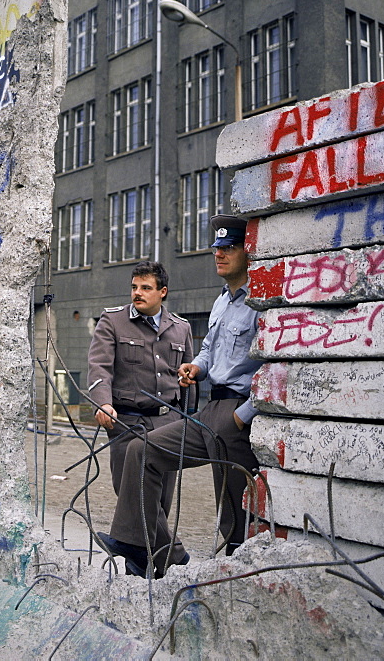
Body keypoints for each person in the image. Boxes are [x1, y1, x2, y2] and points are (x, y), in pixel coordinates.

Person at [97, 215, 262, 577]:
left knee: (235, 507)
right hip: (210, 408)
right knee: (142, 452)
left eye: (229, 248)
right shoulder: (222, 302)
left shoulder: (260, 300)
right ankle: (136, 543)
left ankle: (241, 575)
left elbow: (275, 365)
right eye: (217, 247)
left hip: (235, 412)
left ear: (248, 251)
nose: (219, 254)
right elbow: (209, 352)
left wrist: (245, 415)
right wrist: (197, 367)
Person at [87, 260, 193, 576]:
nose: (137, 293)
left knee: (160, 499)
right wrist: (102, 403)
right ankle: (175, 555)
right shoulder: (112, 322)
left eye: (145, 288)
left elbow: (188, 377)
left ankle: (143, 564)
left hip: (167, 422)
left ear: (162, 292)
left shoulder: (181, 328)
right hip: (126, 423)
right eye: (134, 287)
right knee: (133, 494)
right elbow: (99, 368)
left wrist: (186, 419)